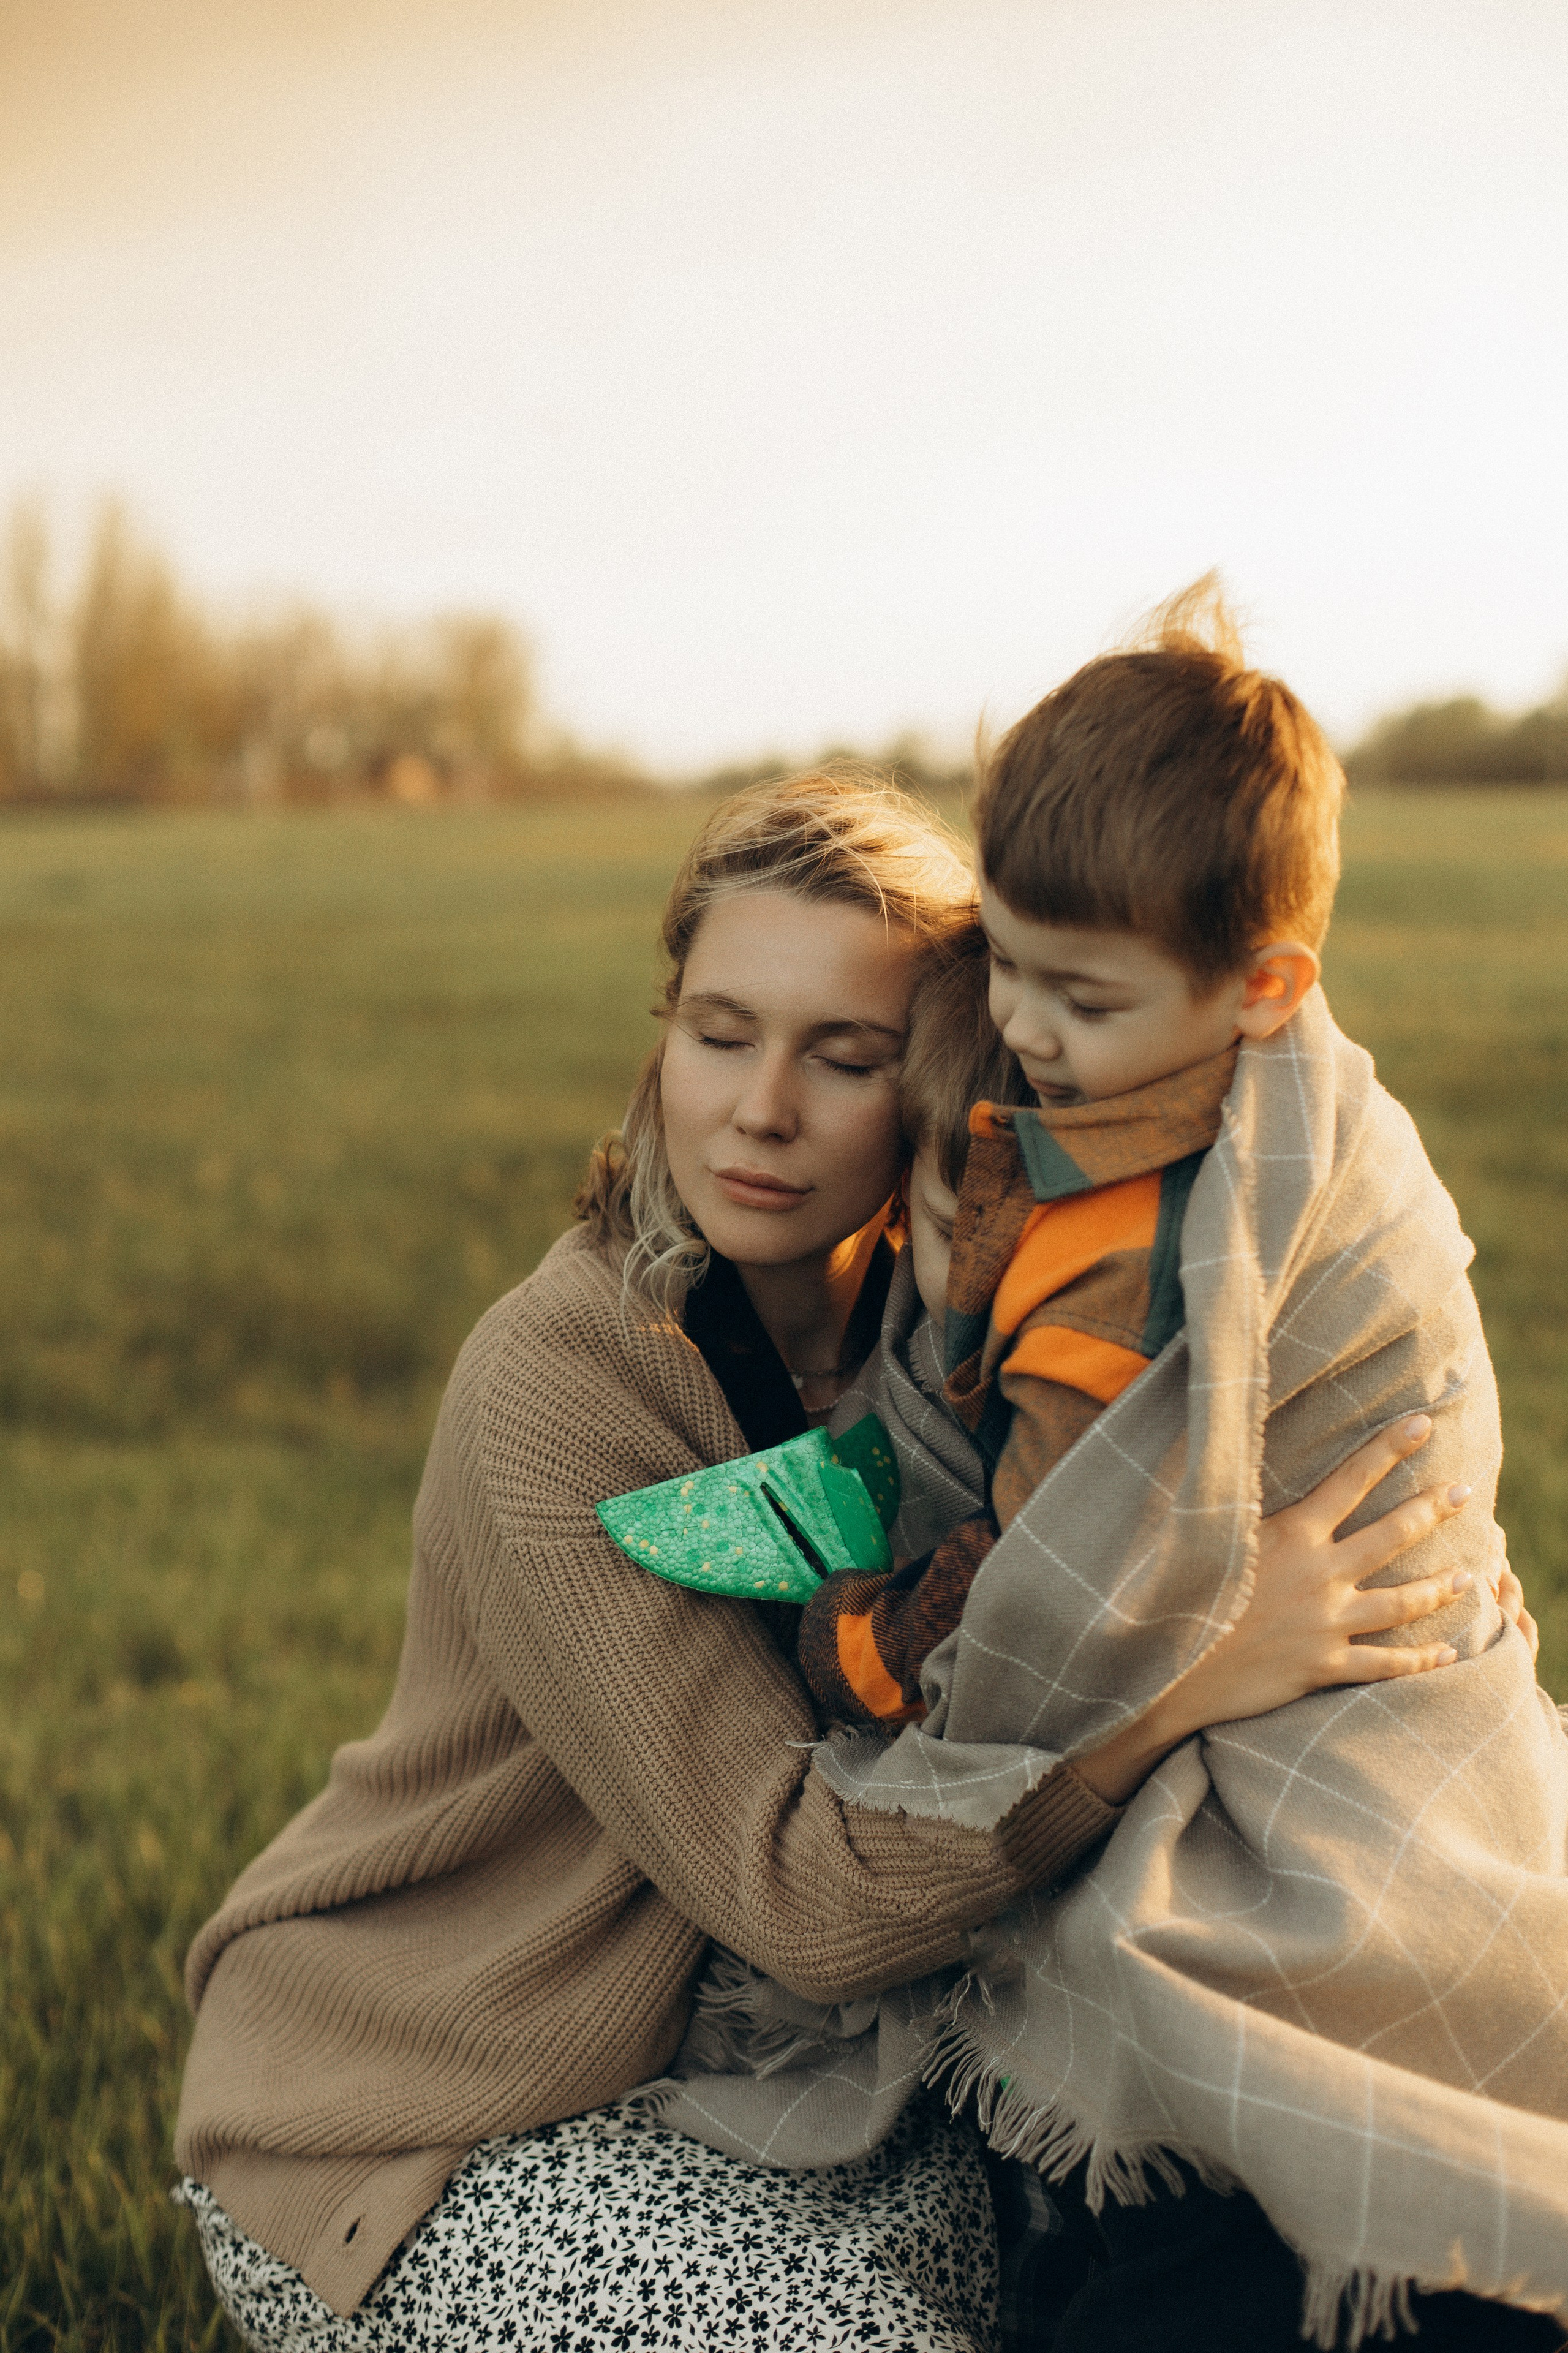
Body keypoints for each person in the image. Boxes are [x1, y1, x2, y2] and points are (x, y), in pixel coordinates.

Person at [172, 772, 1501, 2353]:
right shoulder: (558, 1384)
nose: (761, 1107)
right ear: (663, 1031)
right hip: (449, 2116)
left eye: (845, 1054)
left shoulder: (956, 1331)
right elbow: (803, 1896)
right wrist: (1191, 1678)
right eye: (720, 1030)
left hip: (808, 2092)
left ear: (951, 1074)